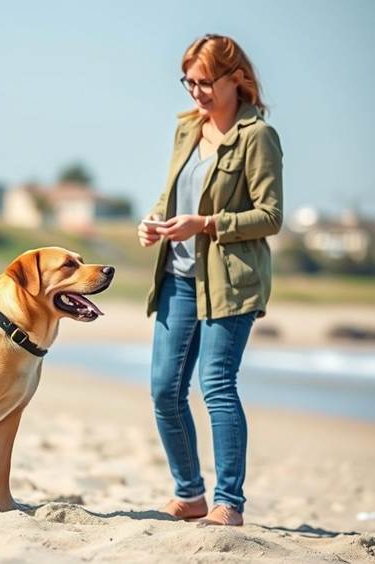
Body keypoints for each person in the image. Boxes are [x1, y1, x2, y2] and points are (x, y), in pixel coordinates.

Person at [137, 35, 283, 526]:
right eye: (189, 82)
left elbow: (270, 215)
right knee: (163, 390)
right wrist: (154, 222)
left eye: (204, 82)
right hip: (177, 277)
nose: (195, 92)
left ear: (234, 78)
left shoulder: (257, 136)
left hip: (231, 281)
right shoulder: (187, 129)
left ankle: (229, 504)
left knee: (217, 385)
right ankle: (190, 493)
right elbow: (172, 194)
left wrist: (207, 225)